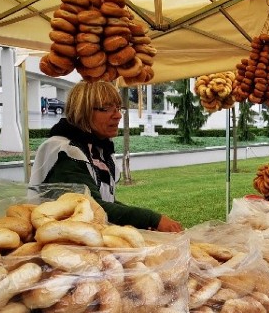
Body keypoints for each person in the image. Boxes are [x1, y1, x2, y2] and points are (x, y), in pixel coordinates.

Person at [30, 80, 183, 232]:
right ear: (83, 111)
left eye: (118, 108)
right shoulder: (65, 152)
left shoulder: (95, 148)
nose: (117, 116)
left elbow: (105, 201)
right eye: (106, 109)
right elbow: (91, 208)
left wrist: (145, 222)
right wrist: (151, 219)